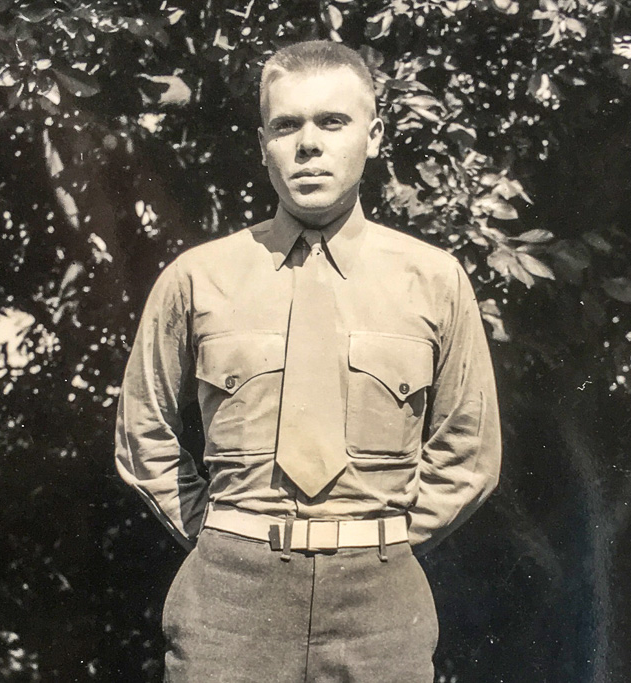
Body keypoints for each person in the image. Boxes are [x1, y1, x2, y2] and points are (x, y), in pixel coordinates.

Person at [115, 39, 501, 682]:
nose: (308, 144)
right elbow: (142, 432)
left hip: (380, 606)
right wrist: (222, 537)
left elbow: (469, 449)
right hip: (229, 602)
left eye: (332, 122)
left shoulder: (434, 281)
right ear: (262, 141)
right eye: (286, 125)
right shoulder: (198, 278)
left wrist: (382, 543)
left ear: (373, 136)